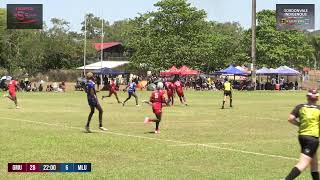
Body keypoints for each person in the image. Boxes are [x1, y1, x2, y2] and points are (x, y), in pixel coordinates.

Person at [284, 89, 320, 180]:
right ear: (317, 98)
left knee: (314, 163)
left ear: (307, 97)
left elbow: (290, 118)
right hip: (312, 139)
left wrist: (299, 124)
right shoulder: (319, 109)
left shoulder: (300, 107)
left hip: (302, 137)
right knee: (303, 164)